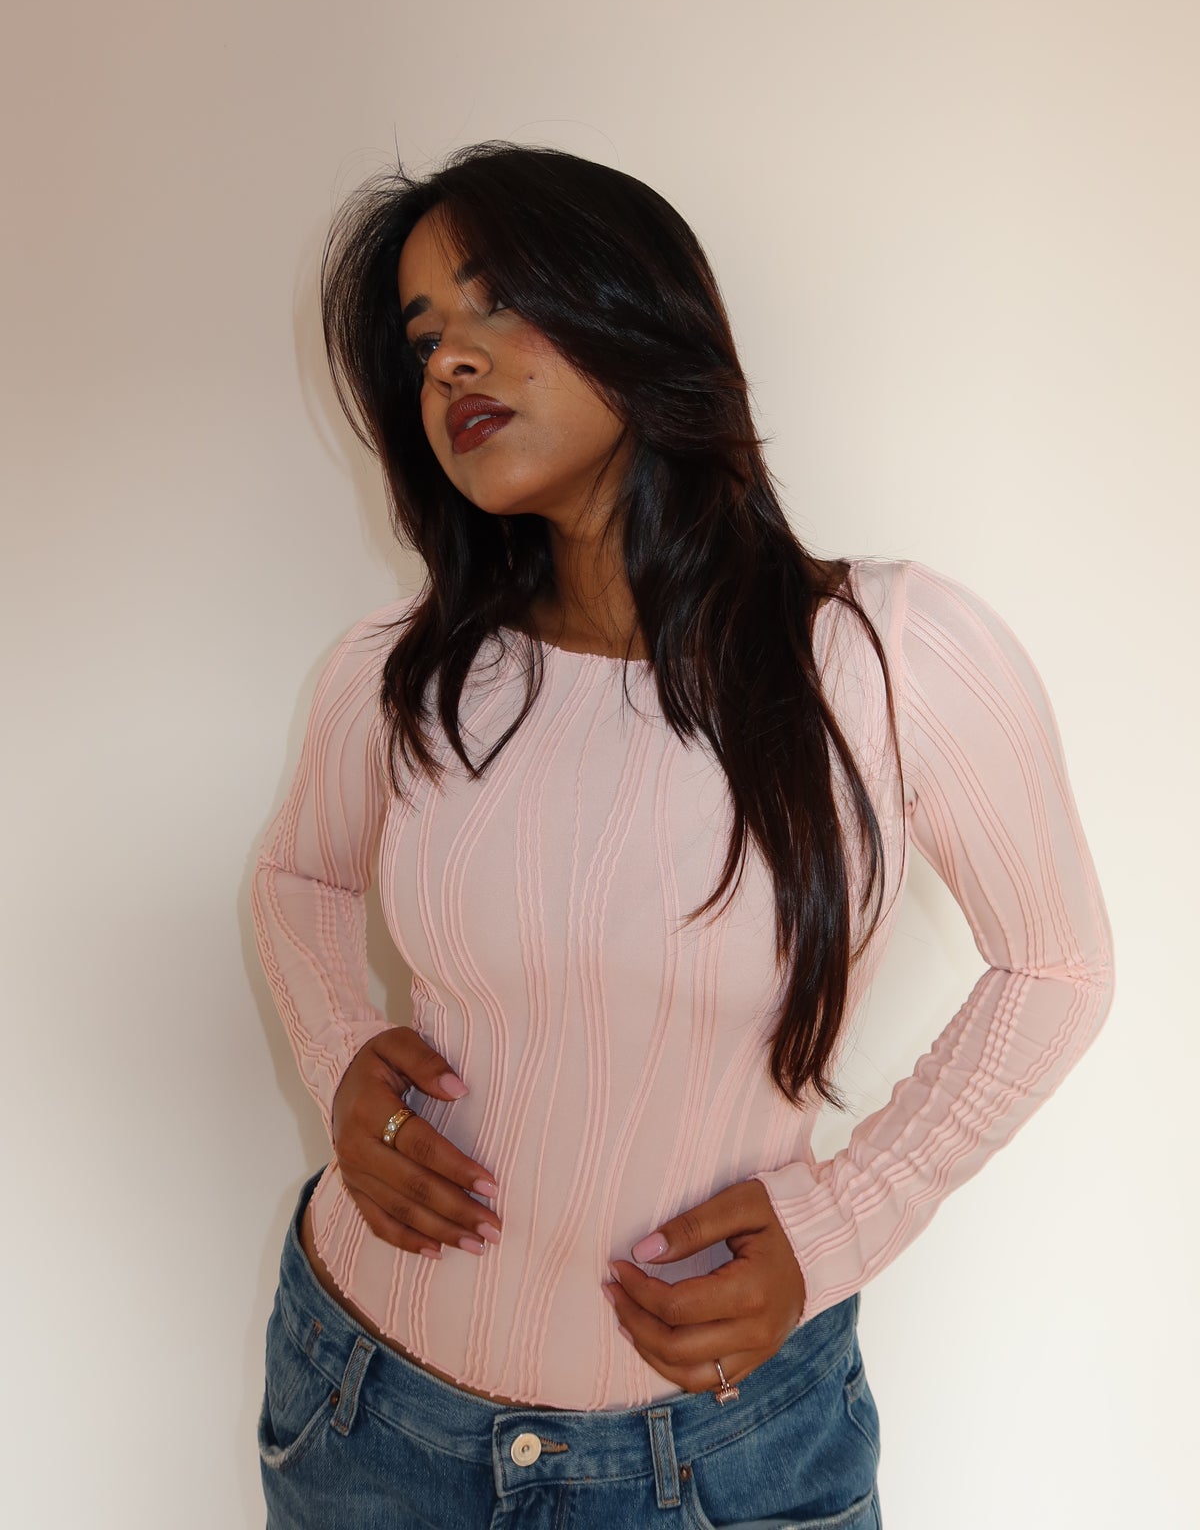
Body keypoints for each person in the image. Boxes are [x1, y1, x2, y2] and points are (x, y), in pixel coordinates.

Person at [250, 141, 1114, 1530]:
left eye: (497, 303)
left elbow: (1058, 969)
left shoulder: (895, 657)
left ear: (641, 313)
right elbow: (298, 876)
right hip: (372, 1420)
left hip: (722, 1454)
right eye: (423, 342)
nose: (452, 362)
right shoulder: (396, 673)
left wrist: (844, 1221)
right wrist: (337, 1050)